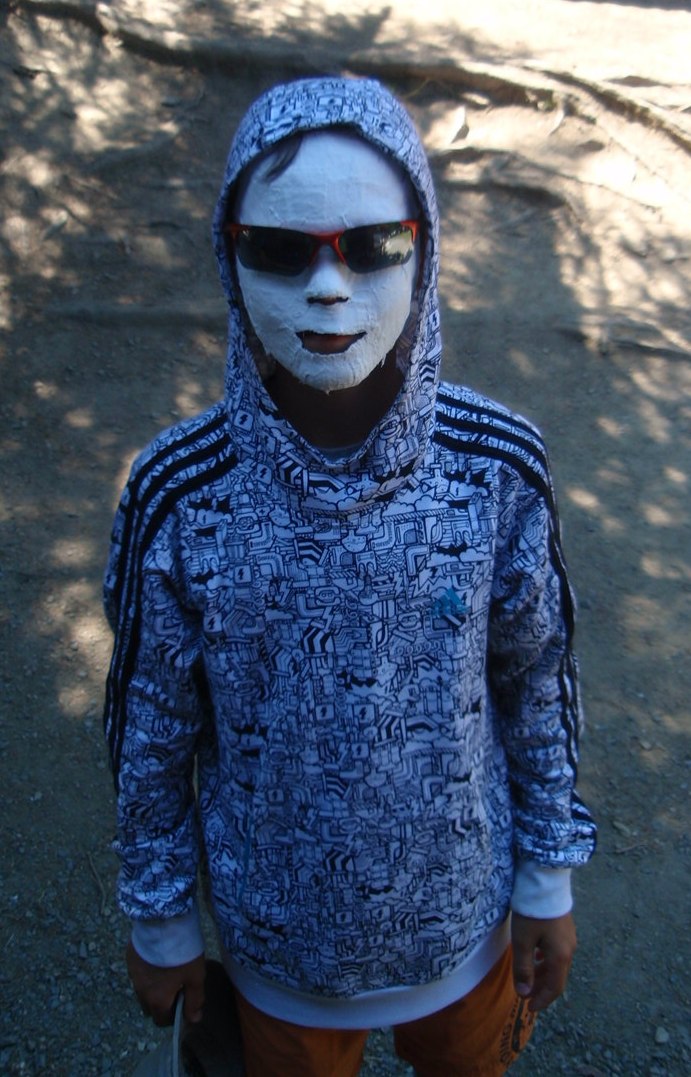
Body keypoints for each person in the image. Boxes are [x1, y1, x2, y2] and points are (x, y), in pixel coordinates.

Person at [103, 76, 597, 1077]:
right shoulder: (180, 492)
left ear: (426, 249)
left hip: (466, 933)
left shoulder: (494, 467)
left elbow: (535, 675)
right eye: (281, 250)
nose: (329, 287)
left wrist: (547, 873)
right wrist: (161, 919)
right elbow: (152, 727)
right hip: (278, 956)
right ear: (229, 256)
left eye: (374, 245)